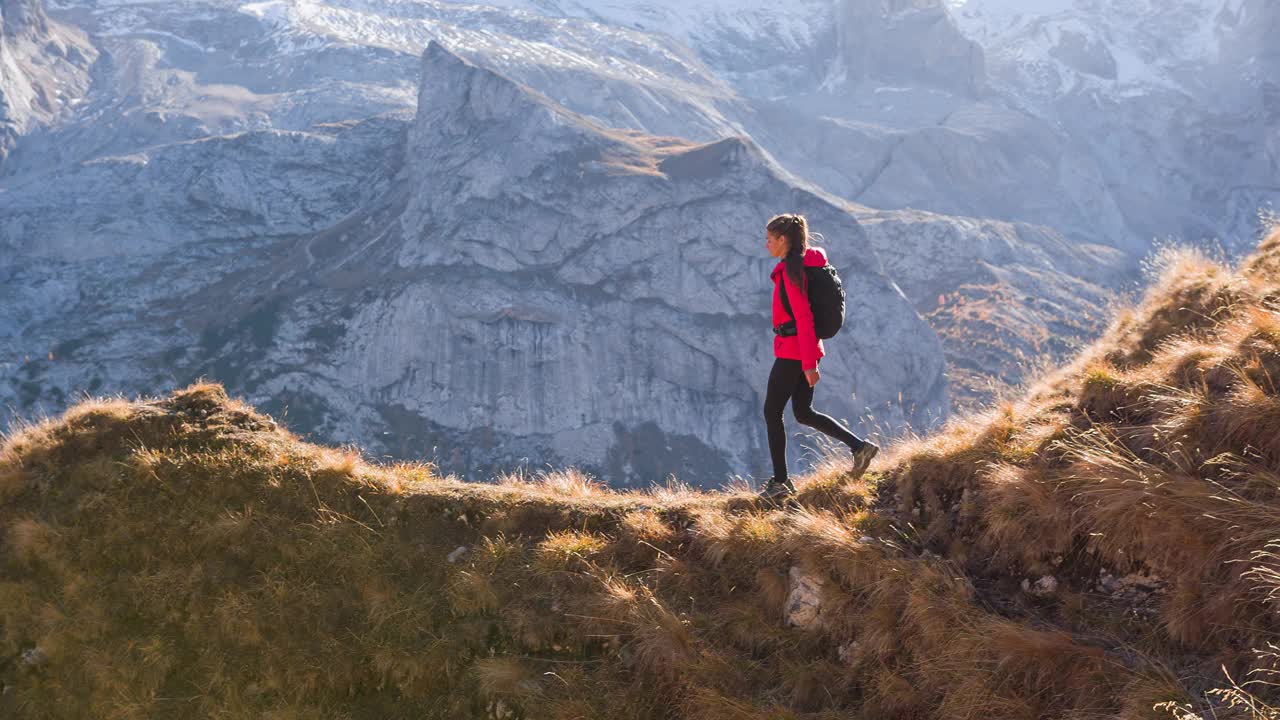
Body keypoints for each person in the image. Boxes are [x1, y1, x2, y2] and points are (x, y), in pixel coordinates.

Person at [759, 213, 879, 500]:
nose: (766, 245)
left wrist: (809, 364)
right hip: (804, 348)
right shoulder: (804, 264)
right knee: (803, 412)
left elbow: (803, 316)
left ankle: (780, 482)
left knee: (771, 412)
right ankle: (860, 448)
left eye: (769, 240)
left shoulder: (792, 271)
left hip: (795, 351)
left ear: (783, 239)